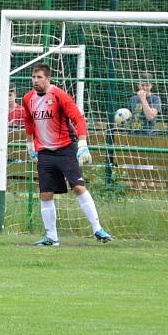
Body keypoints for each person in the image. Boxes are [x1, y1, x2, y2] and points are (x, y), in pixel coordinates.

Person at [21, 63, 112, 245]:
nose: (35, 81)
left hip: (65, 149)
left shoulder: (59, 95)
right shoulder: (27, 98)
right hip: (44, 152)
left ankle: (97, 229)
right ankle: (52, 237)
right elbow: (28, 121)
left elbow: (78, 118)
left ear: (48, 79)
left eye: (39, 77)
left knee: (78, 187)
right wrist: (30, 145)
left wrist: (83, 143)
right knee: (45, 193)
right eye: (33, 77)